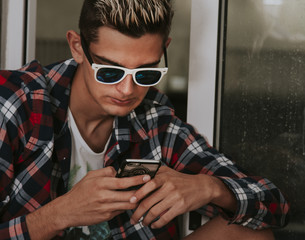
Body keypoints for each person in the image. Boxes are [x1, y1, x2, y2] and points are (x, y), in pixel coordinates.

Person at [0, 0, 289, 239]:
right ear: (77, 47)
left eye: (145, 73)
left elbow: (274, 205)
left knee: (250, 235)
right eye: (110, 72)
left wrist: (208, 187)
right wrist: (58, 215)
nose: (127, 90)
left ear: (164, 48)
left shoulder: (154, 120)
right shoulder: (17, 104)